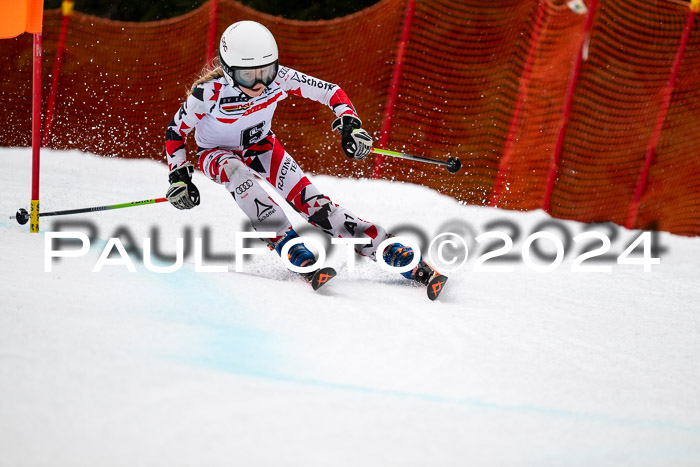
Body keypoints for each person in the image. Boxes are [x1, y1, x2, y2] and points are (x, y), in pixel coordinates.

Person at [164, 20, 436, 286]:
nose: (260, 83)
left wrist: (350, 124)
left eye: (266, 72)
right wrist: (179, 176)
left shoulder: (280, 79)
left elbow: (331, 92)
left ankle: (381, 246)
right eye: (248, 75)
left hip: (262, 145)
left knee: (314, 204)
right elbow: (176, 130)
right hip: (215, 153)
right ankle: (286, 242)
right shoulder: (208, 94)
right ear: (227, 70)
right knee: (238, 173)